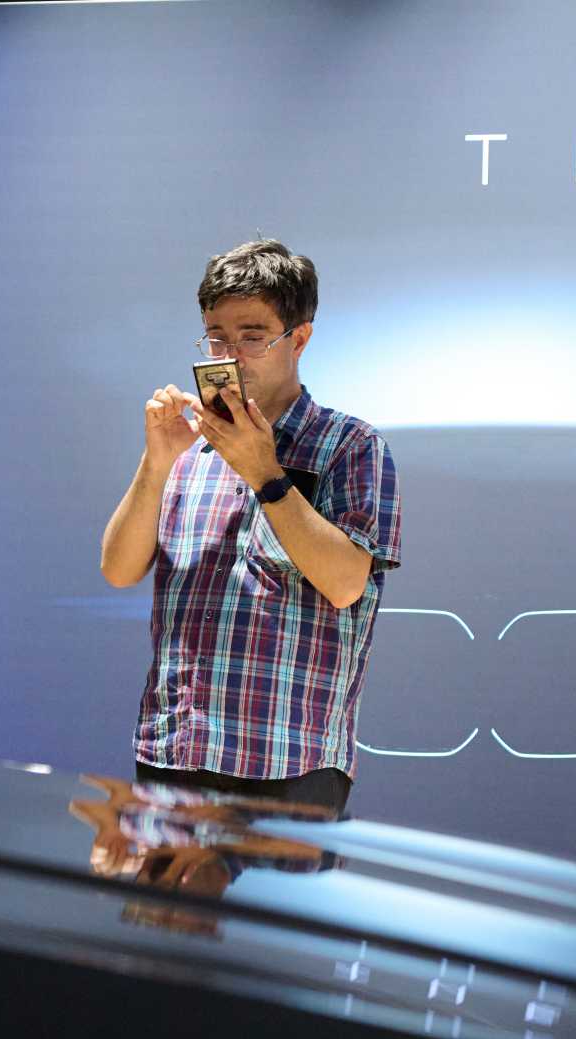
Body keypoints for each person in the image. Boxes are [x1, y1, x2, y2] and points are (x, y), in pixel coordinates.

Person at [98, 238, 400, 814]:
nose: (230, 356)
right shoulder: (188, 448)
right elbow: (117, 568)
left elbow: (345, 584)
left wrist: (264, 470)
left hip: (289, 764)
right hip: (173, 753)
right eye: (217, 337)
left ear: (299, 339)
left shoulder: (350, 446)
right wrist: (156, 461)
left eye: (252, 337)